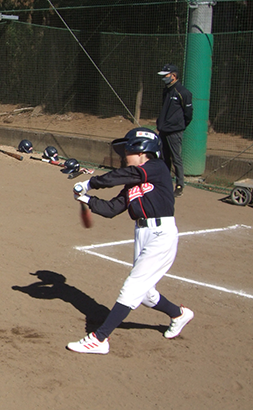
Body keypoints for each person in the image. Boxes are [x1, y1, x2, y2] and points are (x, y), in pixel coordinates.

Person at [67, 127, 194, 354]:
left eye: (127, 150)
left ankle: (100, 338)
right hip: (142, 234)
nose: (124, 155)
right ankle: (179, 314)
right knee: (145, 293)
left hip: (161, 234)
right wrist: (85, 198)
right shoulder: (132, 182)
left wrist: (90, 183)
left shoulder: (157, 167)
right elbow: (111, 208)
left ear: (141, 149)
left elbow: (118, 176)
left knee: (132, 286)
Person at [156, 64, 193, 197]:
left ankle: (179, 185)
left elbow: (188, 114)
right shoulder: (166, 90)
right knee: (164, 158)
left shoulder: (183, 92)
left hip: (175, 131)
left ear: (174, 76)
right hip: (163, 130)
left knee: (176, 158)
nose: (164, 78)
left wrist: (179, 125)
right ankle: (164, 183)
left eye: (166, 76)